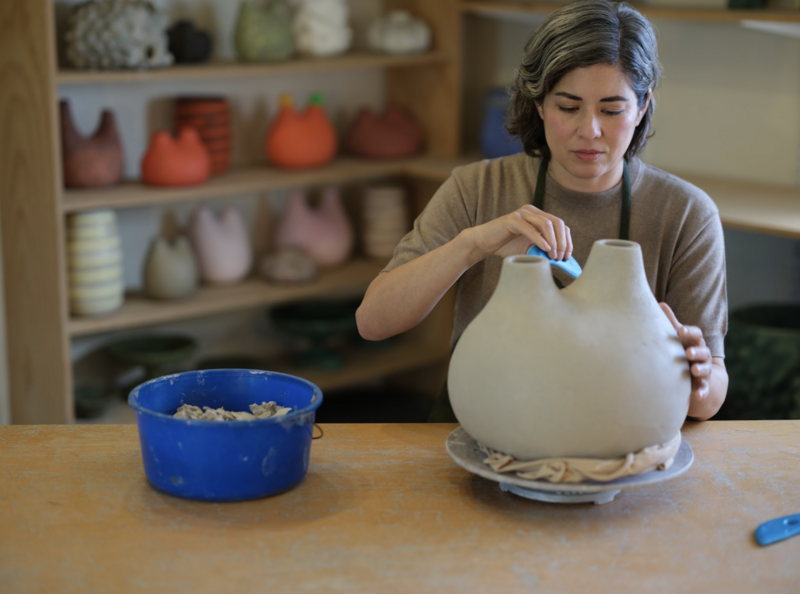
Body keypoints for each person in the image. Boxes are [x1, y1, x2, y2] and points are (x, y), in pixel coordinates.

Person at [356, 0, 728, 423]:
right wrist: (472, 245)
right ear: (538, 104)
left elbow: (708, 400)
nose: (589, 129)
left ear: (641, 108)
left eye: (612, 109)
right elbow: (373, 322)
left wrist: (695, 370)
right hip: (483, 425)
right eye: (568, 107)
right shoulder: (476, 188)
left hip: (616, 433)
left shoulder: (685, 214)